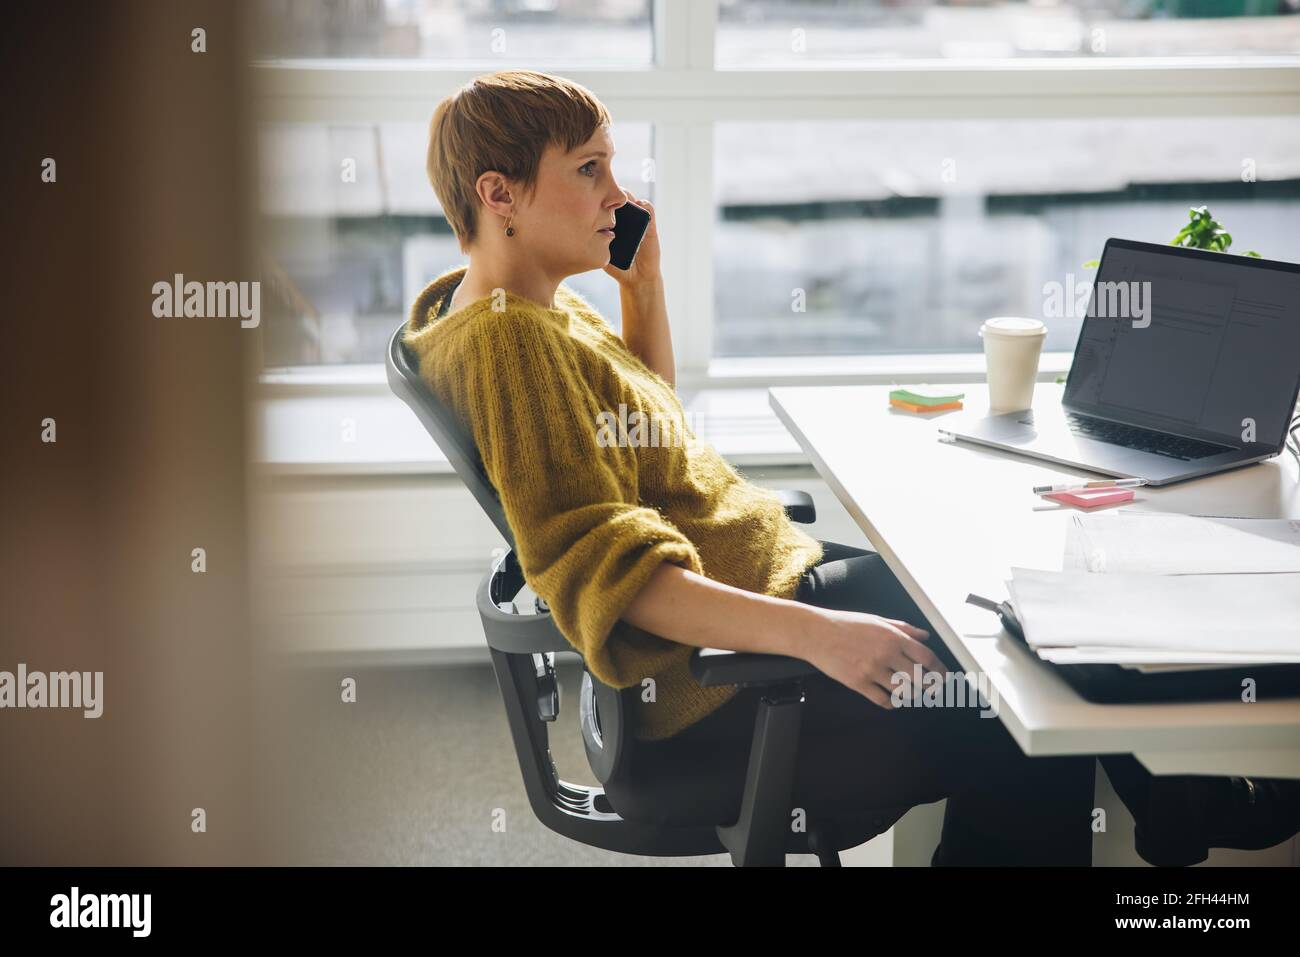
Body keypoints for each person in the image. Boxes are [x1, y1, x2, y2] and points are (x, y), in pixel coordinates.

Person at [404, 69, 1291, 866]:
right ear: (500, 193)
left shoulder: (506, 304)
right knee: (1015, 701)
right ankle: (1187, 799)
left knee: (1007, 604)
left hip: (758, 596)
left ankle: (1181, 798)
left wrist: (643, 286)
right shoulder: (513, 340)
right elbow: (610, 572)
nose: (618, 192)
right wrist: (820, 637)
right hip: (718, 685)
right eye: (589, 168)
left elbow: (641, 432)